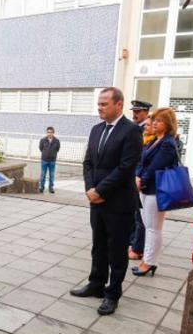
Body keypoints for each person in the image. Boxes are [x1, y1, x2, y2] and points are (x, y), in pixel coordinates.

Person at [70, 87, 142, 316]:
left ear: (118, 105)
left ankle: (113, 294)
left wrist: (100, 190)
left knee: (117, 250)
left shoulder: (131, 131)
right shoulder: (96, 129)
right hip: (96, 200)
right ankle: (96, 284)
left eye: (104, 104)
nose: (99, 107)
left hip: (119, 202)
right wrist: (90, 189)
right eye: (99, 104)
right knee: (98, 245)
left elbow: (126, 167)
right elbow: (88, 163)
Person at [132, 107, 179, 277]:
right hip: (146, 188)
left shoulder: (168, 143)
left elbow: (155, 167)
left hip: (156, 190)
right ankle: (148, 259)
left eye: (159, 121)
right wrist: (138, 176)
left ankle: (150, 262)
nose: (154, 123)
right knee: (149, 226)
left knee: (153, 228)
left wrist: (141, 179)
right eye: (154, 120)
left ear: (168, 124)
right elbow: (142, 162)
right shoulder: (154, 141)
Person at [128, 100, 153, 261]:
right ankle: (133, 242)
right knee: (133, 214)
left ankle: (138, 248)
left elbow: (144, 159)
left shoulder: (149, 131)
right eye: (134, 111)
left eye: (137, 111)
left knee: (140, 217)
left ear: (145, 112)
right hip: (133, 176)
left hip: (141, 180)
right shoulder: (136, 128)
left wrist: (138, 176)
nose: (134, 114)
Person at [38, 126, 60, 193]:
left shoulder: (57, 141)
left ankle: (51, 188)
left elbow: (57, 149)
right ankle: (41, 187)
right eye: (48, 132)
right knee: (43, 174)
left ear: (53, 133)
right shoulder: (43, 140)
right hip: (44, 160)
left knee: (51, 175)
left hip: (52, 161)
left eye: (50, 132)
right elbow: (41, 148)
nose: (49, 133)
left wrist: (53, 155)